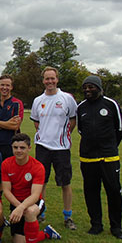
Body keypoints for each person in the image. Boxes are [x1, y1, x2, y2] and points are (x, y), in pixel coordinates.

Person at [1, 133, 61, 243]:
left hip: (34, 203)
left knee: (30, 212)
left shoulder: (37, 166)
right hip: (17, 203)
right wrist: (18, 207)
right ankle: (46, 233)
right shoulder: (6, 164)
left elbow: (35, 195)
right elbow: (6, 190)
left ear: (29, 148)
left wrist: (21, 208)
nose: (18, 151)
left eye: (22, 147)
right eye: (15, 147)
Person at [77, 75, 122, 239]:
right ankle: (96, 224)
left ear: (99, 88)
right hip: (88, 158)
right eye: (85, 87)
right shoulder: (81, 107)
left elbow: (120, 129)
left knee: (113, 191)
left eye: (91, 87)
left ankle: (116, 227)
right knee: (91, 192)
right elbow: (81, 130)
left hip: (109, 158)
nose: (87, 90)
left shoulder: (111, 104)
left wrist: (109, 147)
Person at [30, 67, 78, 230]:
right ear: (43, 80)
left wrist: (62, 136)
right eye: (46, 79)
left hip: (61, 148)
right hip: (42, 147)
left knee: (65, 183)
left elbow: (72, 121)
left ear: (57, 79)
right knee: (41, 182)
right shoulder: (38, 100)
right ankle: (40, 213)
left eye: (52, 78)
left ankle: (68, 216)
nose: (49, 81)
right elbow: (36, 123)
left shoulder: (67, 99)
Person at [0, 75, 24, 160]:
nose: (4, 87)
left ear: (11, 87)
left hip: (12, 145)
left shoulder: (17, 103)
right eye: (2, 85)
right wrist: (7, 123)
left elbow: (15, 126)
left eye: (7, 85)